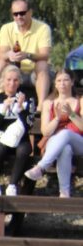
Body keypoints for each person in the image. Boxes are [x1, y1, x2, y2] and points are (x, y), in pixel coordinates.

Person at [24, 69, 83, 198]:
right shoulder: (48, 104)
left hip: (78, 141)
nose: (62, 84)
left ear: (72, 82)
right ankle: (64, 192)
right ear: (55, 84)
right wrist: (57, 118)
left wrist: (71, 114)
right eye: (59, 81)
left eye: (66, 80)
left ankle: (41, 167)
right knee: (65, 149)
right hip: (54, 142)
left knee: (66, 133)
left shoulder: (80, 101)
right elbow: (45, 131)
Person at [0, 65, 36, 196]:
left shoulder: (27, 100)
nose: (12, 83)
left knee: (24, 150)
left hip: (20, 138)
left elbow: (30, 124)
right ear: (3, 81)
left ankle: (12, 185)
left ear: (19, 81)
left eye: (15, 80)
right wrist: (2, 111)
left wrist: (21, 109)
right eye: (8, 80)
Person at [0, 0, 52, 108]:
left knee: (42, 64)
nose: (19, 17)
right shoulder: (6, 28)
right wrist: (9, 55)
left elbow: (45, 55)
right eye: (15, 14)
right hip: (14, 71)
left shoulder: (43, 28)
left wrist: (27, 55)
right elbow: (1, 54)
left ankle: (40, 108)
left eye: (22, 13)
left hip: (34, 72)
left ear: (30, 12)